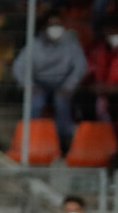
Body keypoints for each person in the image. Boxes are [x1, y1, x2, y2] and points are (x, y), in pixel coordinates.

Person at [12, 8, 88, 151]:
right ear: (45, 27)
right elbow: (19, 67)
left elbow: (81, 66)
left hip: (63, 84)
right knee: (35, 102)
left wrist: (69, 86)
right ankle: (31, 139)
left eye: (59, 24)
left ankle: (63, 141)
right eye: (52, 25)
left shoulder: (71, 42)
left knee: (62, 102)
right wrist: (29, 86)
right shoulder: (35, 44)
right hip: (40, 84)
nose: (56, 28)